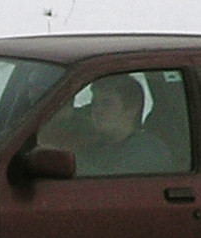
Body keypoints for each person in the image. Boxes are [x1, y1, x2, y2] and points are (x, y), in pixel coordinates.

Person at [44, 73, 181, 177]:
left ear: (131, 109)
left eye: (107, 104)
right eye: (94, 103)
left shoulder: (147, 152)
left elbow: (107, 190)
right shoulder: (96, 147)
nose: (96, 110)